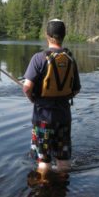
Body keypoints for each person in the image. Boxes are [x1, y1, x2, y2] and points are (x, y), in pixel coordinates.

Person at [23, 19, 81, 182]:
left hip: (43, 119)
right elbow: (76, 89)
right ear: (63, 35)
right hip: (64, 118)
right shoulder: (70, 59)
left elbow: (27, 87)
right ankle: (61, 188)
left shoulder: (38, 58)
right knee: (63, 160)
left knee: (44, 161)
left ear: (47, 35)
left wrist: (33, 99)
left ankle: (43, 191)